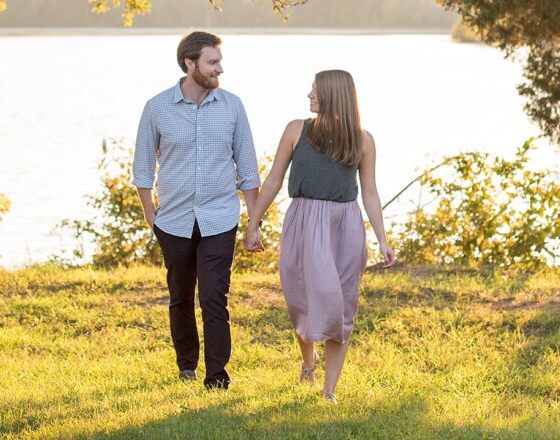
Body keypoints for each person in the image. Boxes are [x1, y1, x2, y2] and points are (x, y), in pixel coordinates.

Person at [245, 69, 396, 402]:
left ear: (333, 96)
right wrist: (253, 222)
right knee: (302, 299)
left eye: (314, 91)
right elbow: (272, 180)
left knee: (341, 305)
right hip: (303, 219)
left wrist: (382, 239)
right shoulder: (296, 130)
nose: (309, 96)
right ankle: (308, 362)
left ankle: (329, 391)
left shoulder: (363, 139)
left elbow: (369, 192)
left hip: (345, 226)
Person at [132, 31, 259, 390]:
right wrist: (150, 215)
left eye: (219, 61)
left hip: (220, 217)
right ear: (190, 65)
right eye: (213, 62)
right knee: (181, 295)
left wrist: (254, 223)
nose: (220, 68)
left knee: (214, 295)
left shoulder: (233, 106)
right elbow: (143, 168)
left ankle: (216, 375)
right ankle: (186, 365)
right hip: (172, 221)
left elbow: (247, 169)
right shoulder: (157, 108)